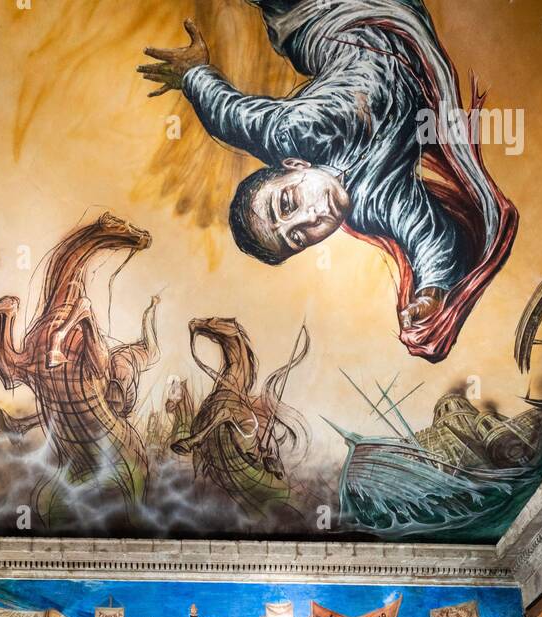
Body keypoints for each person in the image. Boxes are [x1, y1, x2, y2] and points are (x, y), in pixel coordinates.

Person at [138, 0, 515, 362]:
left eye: (287, 203)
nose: (311, 217)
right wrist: (431, 293)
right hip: (396, 16)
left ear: (295, 164)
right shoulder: (372, 203)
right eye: (298, 237)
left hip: (315, 15)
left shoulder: (294, 132)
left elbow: (231, 117)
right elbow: (427, 236)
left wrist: (193, 74)